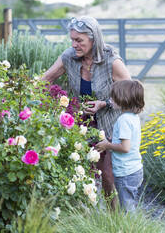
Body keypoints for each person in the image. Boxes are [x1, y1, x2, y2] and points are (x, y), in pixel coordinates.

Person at [42, 16, 131, 208]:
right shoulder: (68, 57)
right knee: (75, 170)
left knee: (106, 174)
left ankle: (114, 219)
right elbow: (45, 79)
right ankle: (81, 216)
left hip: (107, 124)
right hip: (78, 124)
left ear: (94, 39)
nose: (74, 44)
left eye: (79, 40)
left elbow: (131, 92)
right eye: (72, 39)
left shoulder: (111, 61)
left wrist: (105, 103)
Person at [95, 80, 145, 212]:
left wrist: (107, 145)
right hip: (134, 170)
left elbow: (125, 147)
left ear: (123, 99)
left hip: (126, 173)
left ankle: (130, 228)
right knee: (129, 203)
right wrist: (111, 140)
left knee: (127, 208)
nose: (111, 100)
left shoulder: (123, 120)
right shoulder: (133, 117)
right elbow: (128, 141)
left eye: (114, 98)